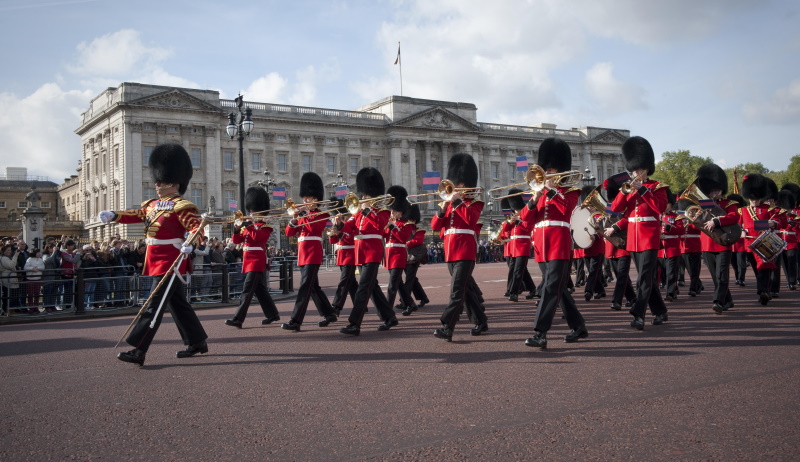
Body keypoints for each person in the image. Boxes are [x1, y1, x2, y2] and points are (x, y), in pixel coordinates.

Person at [100, 143, 208, 366]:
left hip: (171, 261)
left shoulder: (182, 206)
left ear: (174, 182)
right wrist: (114, 215)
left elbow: (197, 230)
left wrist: (190, 245)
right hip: (155, 259)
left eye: (162, 181)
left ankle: (138, 349)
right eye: (157, 180)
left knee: (154, 306)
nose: (157, 184)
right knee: (178, 304)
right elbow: (137, 214)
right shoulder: (153, 205)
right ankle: (197, 341)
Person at [519, 138, 587, 348]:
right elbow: (524, 221)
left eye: (552, 169)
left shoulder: (571, 191)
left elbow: (567, 209)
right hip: (541, 246)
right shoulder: (538, 194)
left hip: (559, 243)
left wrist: (551, 190)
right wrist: (533, 199)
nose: (548, 173)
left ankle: (541, 332)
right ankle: (579, 326)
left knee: (549, 288)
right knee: (559, 289)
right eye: (546, 169)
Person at [610, 136, 669, 330]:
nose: (636, 172)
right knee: (648, 279)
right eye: (634, 169)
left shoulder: (657, 187)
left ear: (647, 168)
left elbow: (659, 208)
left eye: (639, 169)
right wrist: (623, 192)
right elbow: (616, 208)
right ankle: (660, 311)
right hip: (633, 238)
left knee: (644, 278)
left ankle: (639, 314)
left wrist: (643, 190)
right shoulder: (628, 188)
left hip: (649, 237)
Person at [430, 153, 488, 342]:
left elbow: (470, 219)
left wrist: (457, 201)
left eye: (458, 185)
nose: (455, 188)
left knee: (456, 292)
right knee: (467, 291)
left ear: (465, 185)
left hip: (465, 251)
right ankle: (480, 320)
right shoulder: (448, 205)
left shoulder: (475, 203)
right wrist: (441, 208)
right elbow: (435, 226)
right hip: (450, 252)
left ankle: (448, 326)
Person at [339, 167, 400, 336]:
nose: (362, 197)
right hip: (361, 252)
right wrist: (338, 224)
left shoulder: (383, 211)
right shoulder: (358, 212)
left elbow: (379, 225)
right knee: (372, 288)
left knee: (363, 288)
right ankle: (389, 317)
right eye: (363, 194)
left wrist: (367, 209)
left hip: (373, 252)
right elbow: (349, 227)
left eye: (365, 195)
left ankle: (354, 323)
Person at [282, 172, 338, 331]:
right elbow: (289, 233)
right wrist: (293, 219)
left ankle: (296, 320)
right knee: (313, 287)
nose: (304, 201)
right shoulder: (301, 216)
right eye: (304, 198)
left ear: (316, 199)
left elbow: (313, 228)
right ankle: (329, 313)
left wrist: (302, 215)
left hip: (313, 254)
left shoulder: (322, 214)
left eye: (308, 198)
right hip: (302, 254)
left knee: (305, 287)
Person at [225, 187, 281, 328]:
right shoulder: (249, 227)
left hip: (257, 261)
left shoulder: (265, 227)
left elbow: (257, 238)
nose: (251, 214)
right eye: (251, 212)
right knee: (260, 290)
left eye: (254, 212)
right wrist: (237, 229)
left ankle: (238, 318)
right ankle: (272, 314)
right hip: (248, 261)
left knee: (247, 290)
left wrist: (249, 225)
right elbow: (237, 241)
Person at [695, 164, 738, 314]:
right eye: (712, 190)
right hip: (707, 244)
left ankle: (718, 301)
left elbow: (734, 217)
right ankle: (728, 299)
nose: (714, 193)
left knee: (721, 274)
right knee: (715, 276)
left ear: (722, 189)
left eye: (717, 190)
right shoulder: (702, 204)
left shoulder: (729, 204)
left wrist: (717, 221)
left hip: (723, 243)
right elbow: (699, 224)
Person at [383, 185, 417, 314]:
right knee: (399, 284)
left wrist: (392, 227)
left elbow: (403, 238)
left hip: (398, 255)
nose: (392, 213)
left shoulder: (406, 224)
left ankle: (387, 311)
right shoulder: (390, 222)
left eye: (395, 211)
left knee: (392, 285)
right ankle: (411, 304)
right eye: (392, 210)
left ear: (401, 211)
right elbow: (384, 236)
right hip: (389, 256)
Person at [328, 197, 358, 315]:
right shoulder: (339, 223)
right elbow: (333, 242)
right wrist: (332, 234)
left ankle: (336, 306)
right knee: (351, 283)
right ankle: (360, 304)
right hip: (341, 256)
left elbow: (353, 237)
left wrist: (340, 232)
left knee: (344, 282)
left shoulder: (351, 221)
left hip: (350, 255)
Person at [398, 204, 429, 315]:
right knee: (412, 279)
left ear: (414, 220)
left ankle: (404, 301)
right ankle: (423, 297)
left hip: (413, 257)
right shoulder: (405, 227)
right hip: (404, 256)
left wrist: (405, 244)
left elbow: (417, 241)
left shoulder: (418, 230)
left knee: (409, 280)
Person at [506, 189, 535, 302]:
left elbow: (529, 227)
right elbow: (506, 231)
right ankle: (532, 289)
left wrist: (519, 220)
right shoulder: (514, 215)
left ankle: (513, 293)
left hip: (523, 246)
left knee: (518, 270)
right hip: (514, 247)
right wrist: (509, 222)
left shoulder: (526, 213)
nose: (516, 210)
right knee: (522, 270)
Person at [659, 189, 682, 302]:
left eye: (667, 204)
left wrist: (669, 227)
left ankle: (670, 293)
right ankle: (673, 288)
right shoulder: (656, 216)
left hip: (672, 248)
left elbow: (681, 230)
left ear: (671, 204)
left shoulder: (676, 217)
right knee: (660, 273)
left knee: (671, 273)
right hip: (659, 249)